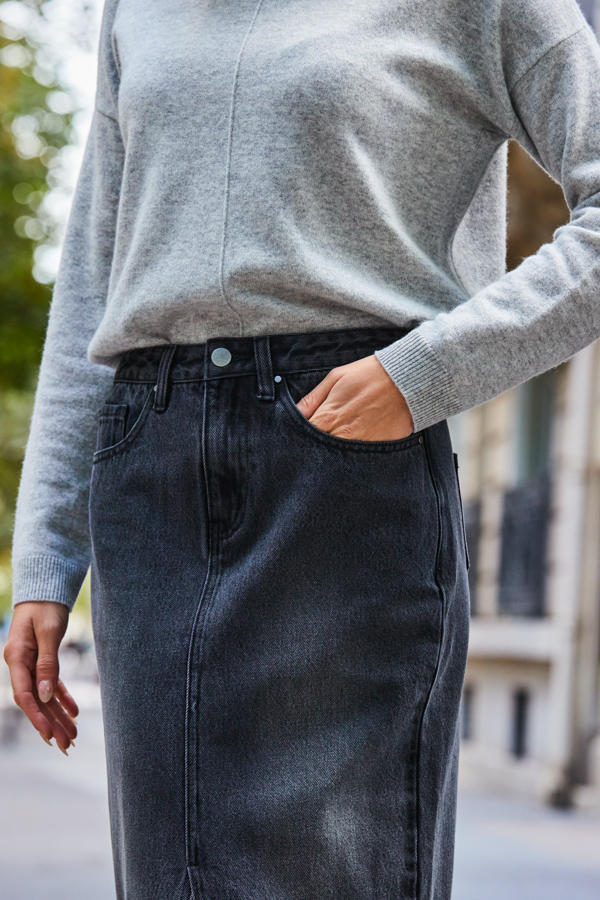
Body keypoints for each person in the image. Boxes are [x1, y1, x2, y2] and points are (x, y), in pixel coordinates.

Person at [4, 0, 600, 897]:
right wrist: (46, 559)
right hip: (150, 462)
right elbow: (92, 281)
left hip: (345, 466)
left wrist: (426, 373)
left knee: (332, 875)